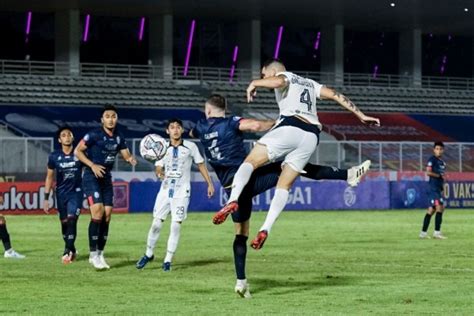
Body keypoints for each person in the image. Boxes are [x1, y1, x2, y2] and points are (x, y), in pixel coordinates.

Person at [191, 94, 371, 298]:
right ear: (225, 109)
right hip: (248, 178)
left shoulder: (200, 127)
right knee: (292, 166)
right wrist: (276, 123)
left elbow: (190, 131)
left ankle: (241, 282)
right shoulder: (232, 122)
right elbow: (255, 126)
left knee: (240, 235)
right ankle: (347, 175)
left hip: (230, 186)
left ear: (207, 111)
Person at [216, 58, 380, 251]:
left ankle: (232, 200)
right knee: (284, 183)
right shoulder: (310, 83)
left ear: (273, 70)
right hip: (311, 136)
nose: (263, 77)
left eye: (263, 74)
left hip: (291, 126)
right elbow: (335, 94)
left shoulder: (285, 76)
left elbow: (278, 81)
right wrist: (361, 115)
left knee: (251, 161)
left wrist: (254, 83)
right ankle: (265, 229)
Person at [136, 118, 215, 271]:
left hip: (182, 192)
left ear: (182, 130)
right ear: (167, 131)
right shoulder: (161, 147)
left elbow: (200, 164)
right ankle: (148, 253)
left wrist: (209, 183)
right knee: (156, 224)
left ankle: (167, 260)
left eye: (178, 127)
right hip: (165, 191)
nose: (175, 130)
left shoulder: (191, 146)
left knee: (175, 225)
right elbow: (158, 167)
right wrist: (160, 173)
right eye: (172, 127)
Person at [75, 105, 137, 270]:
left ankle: (100, 254)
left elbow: (125, 154)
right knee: (98, 211)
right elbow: (78, 151)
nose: (111, 119)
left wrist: (130, 159)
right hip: (91, 176)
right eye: (107, 116)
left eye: (113, 116)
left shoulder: (119, 137)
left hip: (106, 179)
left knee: (107, 215)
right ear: (102, 119)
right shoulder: (94, 135)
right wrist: (92, 165)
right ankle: (93, 254)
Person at [44, 126, 83, 264]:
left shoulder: (80, 154)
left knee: (72, 220)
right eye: (64, 135)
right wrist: (46, 198)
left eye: (69, 134)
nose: (67, 137)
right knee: (65, 224)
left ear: (72, 138)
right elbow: (49, 177)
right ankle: (72, 247)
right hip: (61, 194)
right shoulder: (54, 156)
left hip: (76, 193)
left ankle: (67, 251)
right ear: (59, 140)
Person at [419, 142, 447, 239]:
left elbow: (442, 176)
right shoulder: (432, 160)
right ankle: (437, 232)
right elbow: (428, 172)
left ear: (443, 150)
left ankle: (423, 233)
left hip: (438, 189)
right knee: (440, 207)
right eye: (437, 149)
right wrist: (438, 176)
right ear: (434, 150)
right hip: (433, 188)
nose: (439, 151)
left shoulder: (442, 163)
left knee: (431, 210)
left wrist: (442, 186)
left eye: (440, 149)